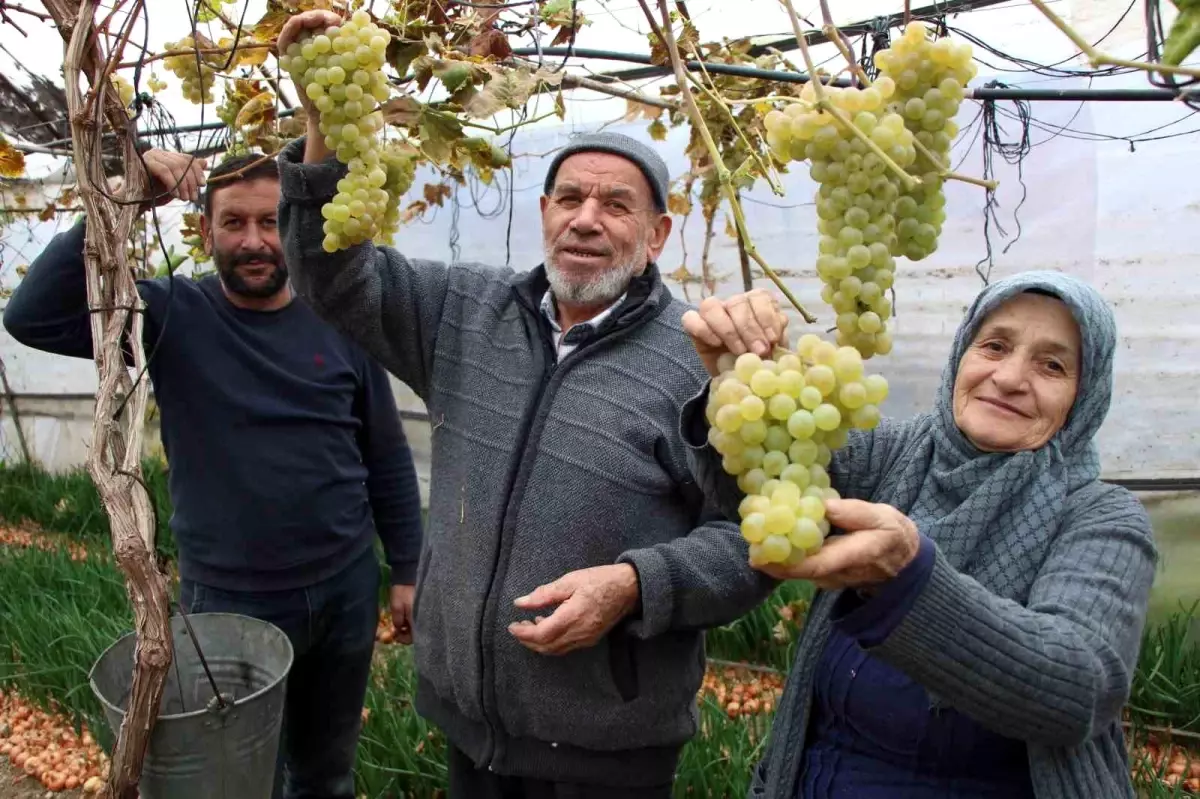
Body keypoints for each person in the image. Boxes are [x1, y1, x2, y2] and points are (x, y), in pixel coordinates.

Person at [271, 11, 776, 797]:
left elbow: (756, 542)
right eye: (569, 197)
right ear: (544, 213)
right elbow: (332, 276)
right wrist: (323, 123)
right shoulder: (464, 311)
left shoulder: (700, 360)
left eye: (616, 205)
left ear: (657, 234)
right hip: (467, 727)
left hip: (607, 753)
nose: (585, 219)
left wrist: (635, 585)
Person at [2, 148, 425, 799]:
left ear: (290, 224)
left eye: (268, 221)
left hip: (344, 588)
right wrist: (128, 190)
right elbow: (32, 316)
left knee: (324, 774)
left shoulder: (336, 318)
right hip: (233, 601)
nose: (254, 241)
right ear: (204, 231)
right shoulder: (168, 316)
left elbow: (385, 450)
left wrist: (407, 567)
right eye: (233, 223)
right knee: (235, 780)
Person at [680, 273, 1158, 798]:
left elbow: (1077, 689)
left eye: (1052, 365)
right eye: (994, 346)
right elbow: (765, 485)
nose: (1010, 377)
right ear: (962, 353)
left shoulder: (1101, 517)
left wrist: (911, 581)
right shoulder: (895, 454)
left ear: (1084, 395)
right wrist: (734, 382)